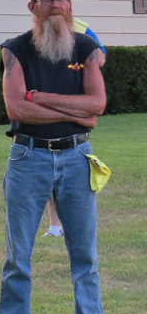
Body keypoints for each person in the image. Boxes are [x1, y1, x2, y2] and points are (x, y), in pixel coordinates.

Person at [0, 0, 108, 314]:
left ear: (70, 6)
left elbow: (97, 105)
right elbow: (17, 110)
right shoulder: (15, 50)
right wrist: (74, 109)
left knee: (85, 259)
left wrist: (42, 97)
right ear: (34, 7)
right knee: (18, 258)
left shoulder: (87, 48)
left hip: (77, 159)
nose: (57, 3)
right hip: (29, 158)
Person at [42, 17, 105, 238]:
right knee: (50, 177)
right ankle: (55, 226)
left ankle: (76, 228)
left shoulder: (83, 28)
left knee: (76, 181)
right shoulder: (42, 29)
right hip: (50, 108)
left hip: (76, 111)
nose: (56, 6)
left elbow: (101, 58)